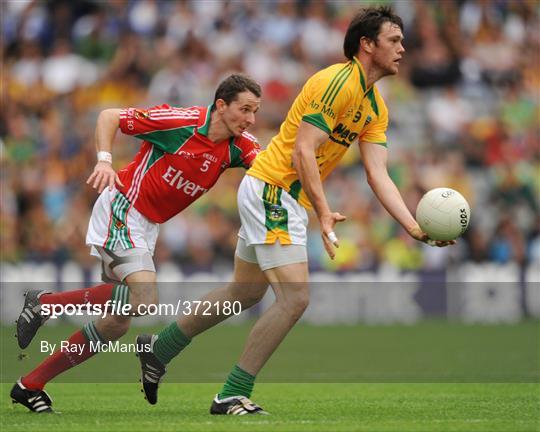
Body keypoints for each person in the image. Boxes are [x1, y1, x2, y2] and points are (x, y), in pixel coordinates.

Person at [132, 6, 456, 417]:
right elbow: (304, 149)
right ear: (367, 44)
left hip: (278, 194)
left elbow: (378, 175)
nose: (402, 48)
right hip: (274, 189)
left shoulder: (375, 107)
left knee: (245, 293)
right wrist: (323, 211)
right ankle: (232, 393)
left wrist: (413, 227)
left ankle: (158, 349)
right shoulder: (335, 82)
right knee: (295, 298)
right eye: (394, 40)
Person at [10, 73, 262, 413]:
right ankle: (46, 304)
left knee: (116, 324)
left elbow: (272, 167)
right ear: (221, 105)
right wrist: (103, 159)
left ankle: (30, 384)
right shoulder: (181, 122)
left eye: (255, 112)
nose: (250, 120)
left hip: (147, 227)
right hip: (124, 207)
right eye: (245, 110)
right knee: (144, 298)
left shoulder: (238, 145)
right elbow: (109, 116)